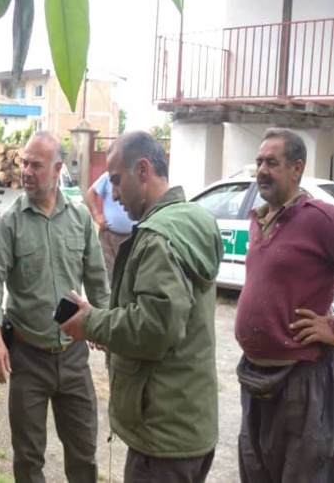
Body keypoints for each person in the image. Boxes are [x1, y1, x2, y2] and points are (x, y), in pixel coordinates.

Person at [60, 131, 222, 483]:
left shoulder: (157, 238)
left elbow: (154, 327)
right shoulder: (195, 218)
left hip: (160, 438)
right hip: (191, 425)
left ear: (143, 170)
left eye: (117, 181)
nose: (114, 194)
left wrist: (91, 323)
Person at [0, 131, 110, 483]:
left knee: (83, 455)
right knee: (29, 460)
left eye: (36, 164)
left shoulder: (79, 219)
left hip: (74, 356)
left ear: (57, 168)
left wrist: (103, 324)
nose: (27, 171)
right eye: (24, 163)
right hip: (28, 358)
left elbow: (97, 279)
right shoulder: (10, 223)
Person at [233, 128, 334, 481]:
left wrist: (333, 329)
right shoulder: (260, 219)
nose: (261, 170)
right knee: (256, 471)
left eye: (272, 163)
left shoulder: (320, 218)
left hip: (301, 381)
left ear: (296, 168)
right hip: (254, 377)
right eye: (259, 162)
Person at [85, 163, 136, 284]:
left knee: (129, 275)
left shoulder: (134, 178)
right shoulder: (107, 177)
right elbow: (90, 193)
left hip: (132, 237)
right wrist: (96, 216)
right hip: (109, 236)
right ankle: (109, 302)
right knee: (108, 274)